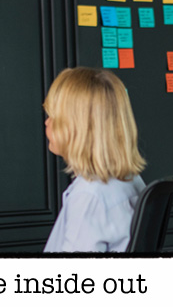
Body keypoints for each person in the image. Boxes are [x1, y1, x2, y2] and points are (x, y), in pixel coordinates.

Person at [42, 67, 146, 252]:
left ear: (77, 128)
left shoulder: (89, 197)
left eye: (53, 117)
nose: (47, 122)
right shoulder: (131, 180)